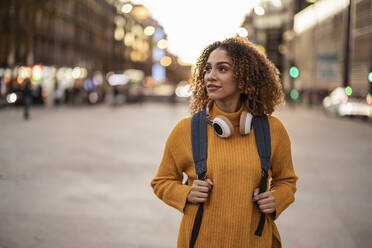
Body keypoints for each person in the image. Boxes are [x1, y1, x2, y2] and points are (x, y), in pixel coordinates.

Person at [151, 37, 298, 248]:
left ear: (244, 77)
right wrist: (186, 193)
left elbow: (287, 181)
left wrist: (277, 198)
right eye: (208, 69)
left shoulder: (272, 130)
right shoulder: (186, 129)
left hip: (254, 242)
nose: (210, 76)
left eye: (222, 69)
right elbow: (161, 181)